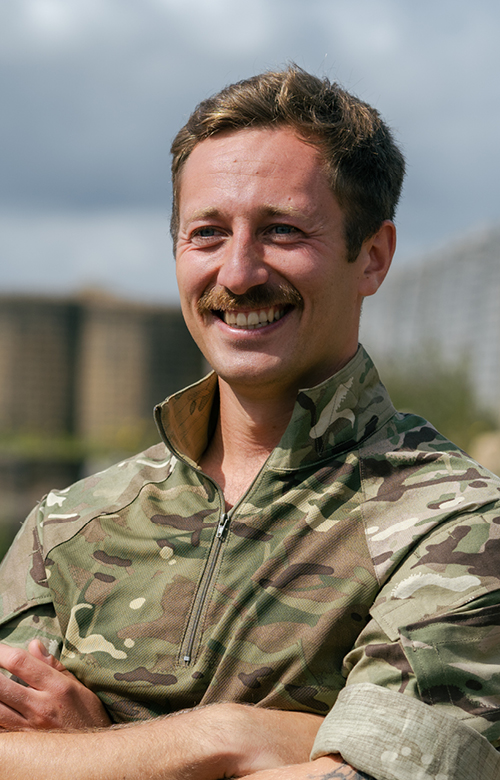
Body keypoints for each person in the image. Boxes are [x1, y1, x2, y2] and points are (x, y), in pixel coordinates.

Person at [0, 65, 498, 780]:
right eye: (207, 233)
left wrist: (88, 749)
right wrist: (228, 737)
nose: (238, 274)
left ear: (373, 257)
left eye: (282, 230)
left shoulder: (457, 523)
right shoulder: (70, 526)